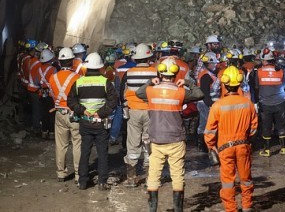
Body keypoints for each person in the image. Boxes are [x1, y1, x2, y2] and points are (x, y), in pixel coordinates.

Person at [135, 57, 203, 212]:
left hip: (156, 139)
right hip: (176, 139)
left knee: (153, 175)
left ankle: (153, 209)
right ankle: (178, 209)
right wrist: (188, 83)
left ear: (160, 73)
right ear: (176, 73)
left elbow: (139, 93)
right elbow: (199, 94)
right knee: (178, 175)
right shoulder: (180, 92)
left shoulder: (151, 91)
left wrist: (151, 82)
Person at [205, 66, 258, 212]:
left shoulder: (217, 105)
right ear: (239, 83)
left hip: (224, 148)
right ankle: (247, 206)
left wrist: (211, 146)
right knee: (246, 178)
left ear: (224, 84)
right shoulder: (248, 104)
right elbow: (253, 129)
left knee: (228, 182)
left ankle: (231, 209)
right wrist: (245, 138)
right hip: (243, 146)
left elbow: (209, 131)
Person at [67, 52, 118, 190]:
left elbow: (70, 101)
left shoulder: (78, 82)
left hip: (85, 122)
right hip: (100, 123)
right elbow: (114, 100)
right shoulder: (105, 82)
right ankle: (102, 182)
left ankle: (82, 181)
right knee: (102, 152)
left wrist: (82, 110)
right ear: (100, 67)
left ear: (86, 67)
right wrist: (100, 113)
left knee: (85, 151)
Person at [121, 43, 158, 187]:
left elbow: (122, 92)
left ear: (135, 59)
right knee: (149, 141)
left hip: (133, 111)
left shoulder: (129, 73)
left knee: (133, 142)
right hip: (150, 111)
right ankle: (150, 177)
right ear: (149, 57)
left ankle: (132, 177)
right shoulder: (155, 72)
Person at [48, 47, 81, 183]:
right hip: (74, 114)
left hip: (59, 113)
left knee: (61, 144)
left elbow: (52, 95)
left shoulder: (52, 78)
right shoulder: (78, 77)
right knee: (77, 143)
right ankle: (79, 174)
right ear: (72, 61)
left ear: (60, 62)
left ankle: (61, 173)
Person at [253, 48, 285, 156]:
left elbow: (256, 87)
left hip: (265, 103)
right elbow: (284, 84)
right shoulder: (281, 70)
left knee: (266, 126)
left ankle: (267, 150)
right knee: (281, 125)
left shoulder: (258, 72)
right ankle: (283, 148)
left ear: (264, 60)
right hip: (280, 102)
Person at [196, 51, 221, 152]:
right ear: (209, 63)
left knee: (205, 124)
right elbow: (205, 94)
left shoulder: (208, 74)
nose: (215, 65)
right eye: (214, 63)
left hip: (206, 103)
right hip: (205, 104)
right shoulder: (206, 76)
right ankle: (203, 145)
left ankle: (203, 144)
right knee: (205, 125)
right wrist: (212, 104)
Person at [39, 49, 57, 139]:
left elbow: (35, 81)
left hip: (42, 94)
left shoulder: (38, 69)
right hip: (51, 94)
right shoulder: (53, 69)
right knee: (52, 113)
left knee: (44, 112)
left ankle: (44, 131)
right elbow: (55, 82)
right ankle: (52, 133)